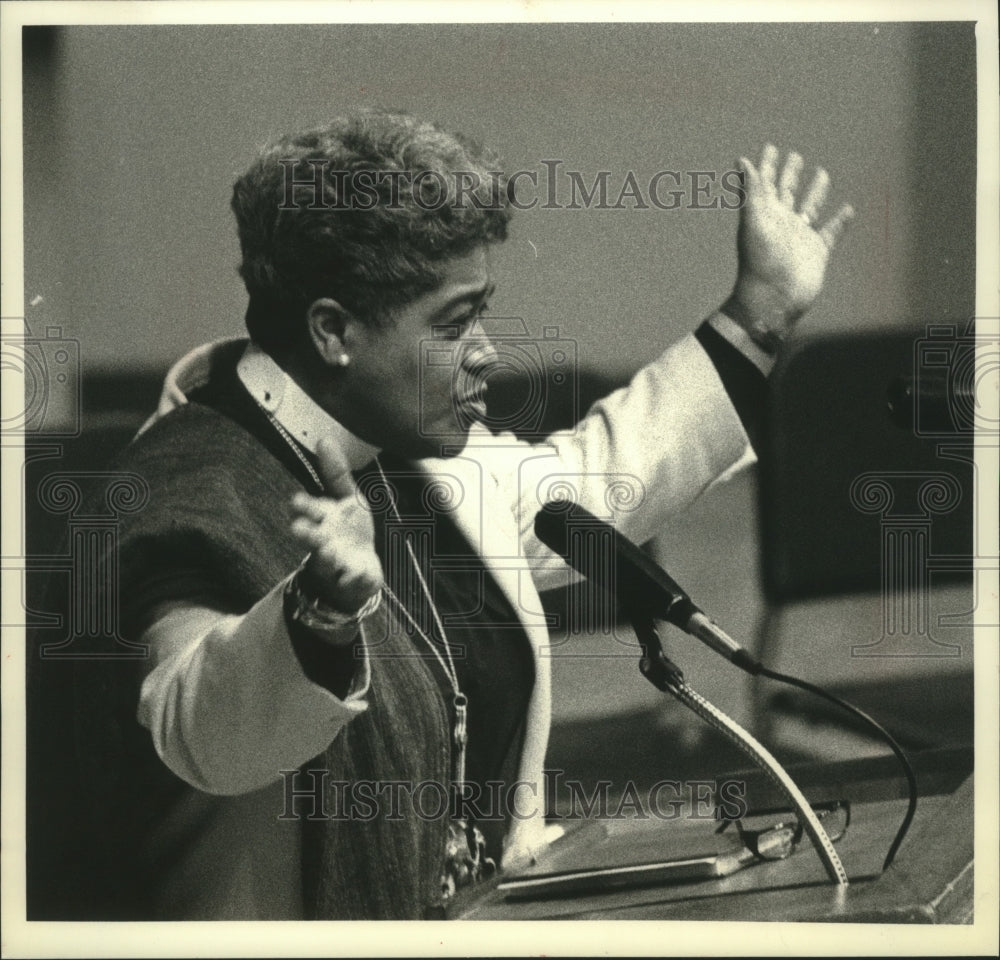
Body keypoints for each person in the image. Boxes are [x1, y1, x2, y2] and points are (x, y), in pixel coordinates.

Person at [32, 109, 853, 920]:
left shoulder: (393, 440)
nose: (488, 350)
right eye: (455, 323)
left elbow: (594, 482)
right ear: (334, 331)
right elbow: (199, 723)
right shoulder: (188, 492)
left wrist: (760, 313)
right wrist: (316, 614)